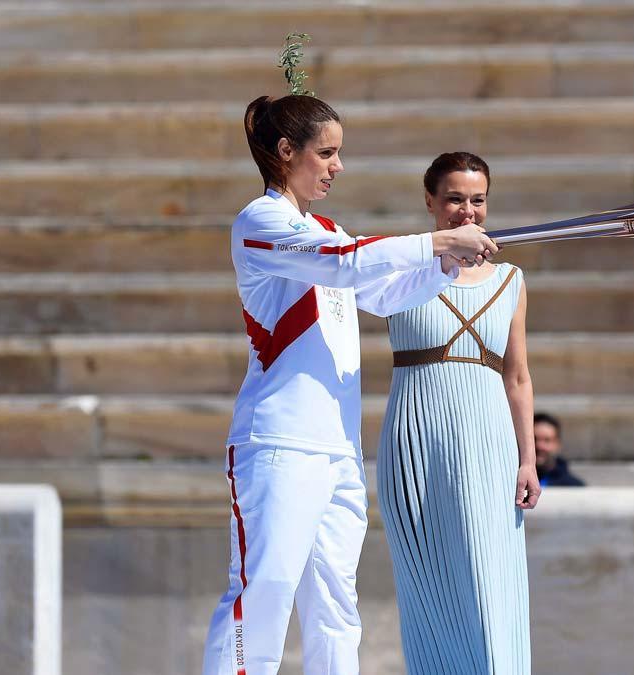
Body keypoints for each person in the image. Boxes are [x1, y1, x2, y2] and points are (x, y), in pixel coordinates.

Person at [202, 96, 498, 675]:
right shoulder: (260, 223)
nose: (338, 167)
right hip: (278, 444)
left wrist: (445, 266)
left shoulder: (327, 229)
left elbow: (381, 293)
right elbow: (342, 262)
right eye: (328, 153)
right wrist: (437, 242)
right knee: (264, 592)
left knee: (337, 606)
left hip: (337, 449)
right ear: (287, 152)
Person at [376, 152, 540, 674]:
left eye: (477, 200)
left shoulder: (510, 280)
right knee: (428, 594)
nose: (466, 212)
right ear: (429, 201)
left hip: (488, 440)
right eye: (453, 199)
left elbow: (517, 377)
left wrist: (527, 460)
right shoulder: (401, 267)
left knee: (491, 583)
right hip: (415, 440)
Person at [533, 412, 585, 487]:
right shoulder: (513, 482)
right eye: (534, 439)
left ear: (557, 444)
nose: (539, 446)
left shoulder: (574, 487)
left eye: (547, 440)